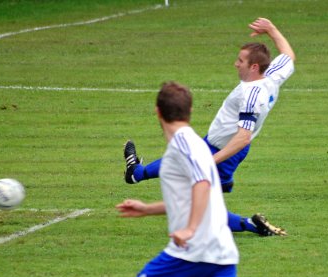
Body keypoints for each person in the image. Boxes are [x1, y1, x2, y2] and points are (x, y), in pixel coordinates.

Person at [117, 81, 259, 277]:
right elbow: (192, 197)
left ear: (157, 112)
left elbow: (203, 183)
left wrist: (190, 228)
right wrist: (147, 209)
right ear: (191, 110)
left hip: (195, 250)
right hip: (220, 251)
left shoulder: (183, 144)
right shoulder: (195, 144)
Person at [123, 17, 295, 236]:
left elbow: (243, 137)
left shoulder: (252, 95)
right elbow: (289, 56)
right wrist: (270, 29)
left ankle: (249, 224)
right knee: (180, 159)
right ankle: (136, 173)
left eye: (240, 61)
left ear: (253, 67)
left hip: (225, 150)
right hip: (216, 144)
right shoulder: (271, 75)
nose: (235, 63)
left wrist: (209, 161)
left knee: (200, 206)